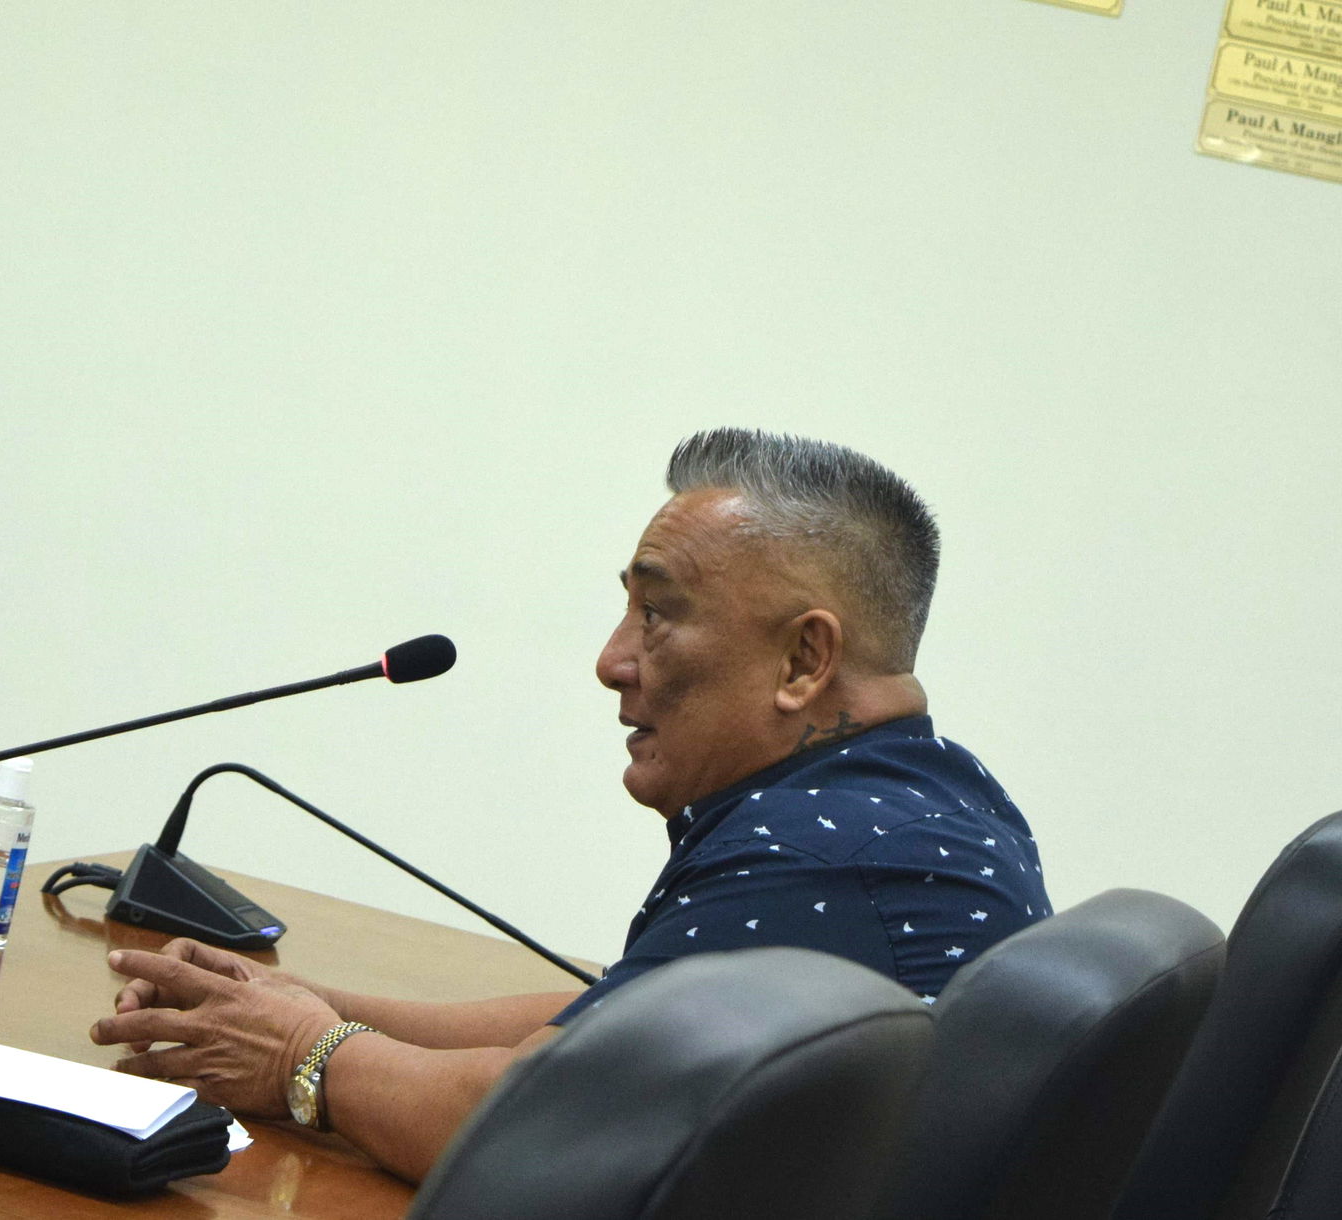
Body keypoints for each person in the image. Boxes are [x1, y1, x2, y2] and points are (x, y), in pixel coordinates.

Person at [90, 428, 1050, 1183]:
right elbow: (622, 1024)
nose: (613, 660)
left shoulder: (825, 853)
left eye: (659, 614)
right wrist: (311, 1003)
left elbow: (530, 1119)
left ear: (804, 660)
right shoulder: (925, 794)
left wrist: (303, 1054)